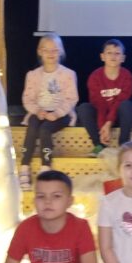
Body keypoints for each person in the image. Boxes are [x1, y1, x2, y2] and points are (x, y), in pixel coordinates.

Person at [19, 33, 78, 191]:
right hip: (40, 112)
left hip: (61, 114)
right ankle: (24, 166)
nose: (51, 54)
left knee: (45, 129)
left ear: (61, 52)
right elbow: (27, 99)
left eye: (55, 50)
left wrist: (57, 113)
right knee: (33, 125)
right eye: (47, 50)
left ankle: (46, 167)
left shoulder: (68, 74)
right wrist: (37, 111)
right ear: (40, 52)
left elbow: (71, 98)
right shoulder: (33, 75)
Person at [77, 39, 132, 153]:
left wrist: (109, 123)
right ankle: (99, 145)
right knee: (83, 108)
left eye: (117, 53)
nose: (113, 56)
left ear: (123, 58)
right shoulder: (95, 77)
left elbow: (120, 101)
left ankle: (123, 146)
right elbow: (99, 104)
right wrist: (103, 126)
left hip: (118, 117)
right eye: (109, 53)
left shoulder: (127, 76)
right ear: (102, 56)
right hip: (101, 116)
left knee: (126, 105)